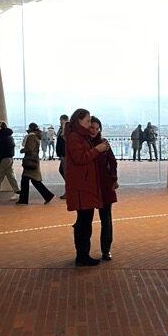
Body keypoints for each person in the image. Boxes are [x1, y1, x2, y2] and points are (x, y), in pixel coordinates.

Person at [65, 108, 110, 266]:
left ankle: (83, 254)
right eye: (88, 120)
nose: (90, 123)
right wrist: (97, 150)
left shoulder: (79, 136)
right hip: (82, 187)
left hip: (84, 186)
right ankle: (82, 255)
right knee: (84, 222)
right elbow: (80, 158)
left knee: (85, 221)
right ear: (79, 120)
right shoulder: (75, 137)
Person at [89, 116, 118, 260]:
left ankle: (106, 250)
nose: (94, 131)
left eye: (97, 128)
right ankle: (84, 252)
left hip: (104, 185)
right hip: (89, 186)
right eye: (91, 127)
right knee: (85, 220)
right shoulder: (83, 143)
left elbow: (112, 162)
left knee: (106, 219)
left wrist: (113, 178)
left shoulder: (104, 143)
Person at [17, 122, 54, 204]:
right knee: (33, 180)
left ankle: (24, 199)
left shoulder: (31, 137)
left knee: (28, 180)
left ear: (30, 129)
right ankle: (47, 195)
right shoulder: (36, 136)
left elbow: (30, 149)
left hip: (30, 161)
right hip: (33, 160)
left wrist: (22, 150)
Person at [0, 121, 20, 198]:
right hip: (10, 158)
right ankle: (17, 192)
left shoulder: (1, 138)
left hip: (3, 160)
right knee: (11, 176)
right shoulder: (10, 137)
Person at [56, 114, 69, 198]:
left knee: (65, 172)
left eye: (62, 120)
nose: (60, 122)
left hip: (65, 154)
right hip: (62, 153)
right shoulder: (60, 129)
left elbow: (65, 138)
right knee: (61, 170)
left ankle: (68, 190)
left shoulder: (67, 129)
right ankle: (70, 187)